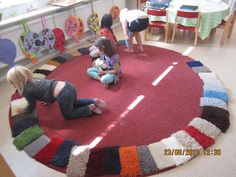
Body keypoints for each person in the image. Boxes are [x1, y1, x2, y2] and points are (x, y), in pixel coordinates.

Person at [7, 65, 106, 120]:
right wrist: (48, 101)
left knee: (68, 114)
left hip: (63, 94)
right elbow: (45, 90)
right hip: (68, 86)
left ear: (16, 82)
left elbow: (32, 106)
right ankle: (93, 100)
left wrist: (24, 111)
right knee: (74, 102)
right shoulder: (35, 79)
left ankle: (88, 109)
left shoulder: (26, 91)